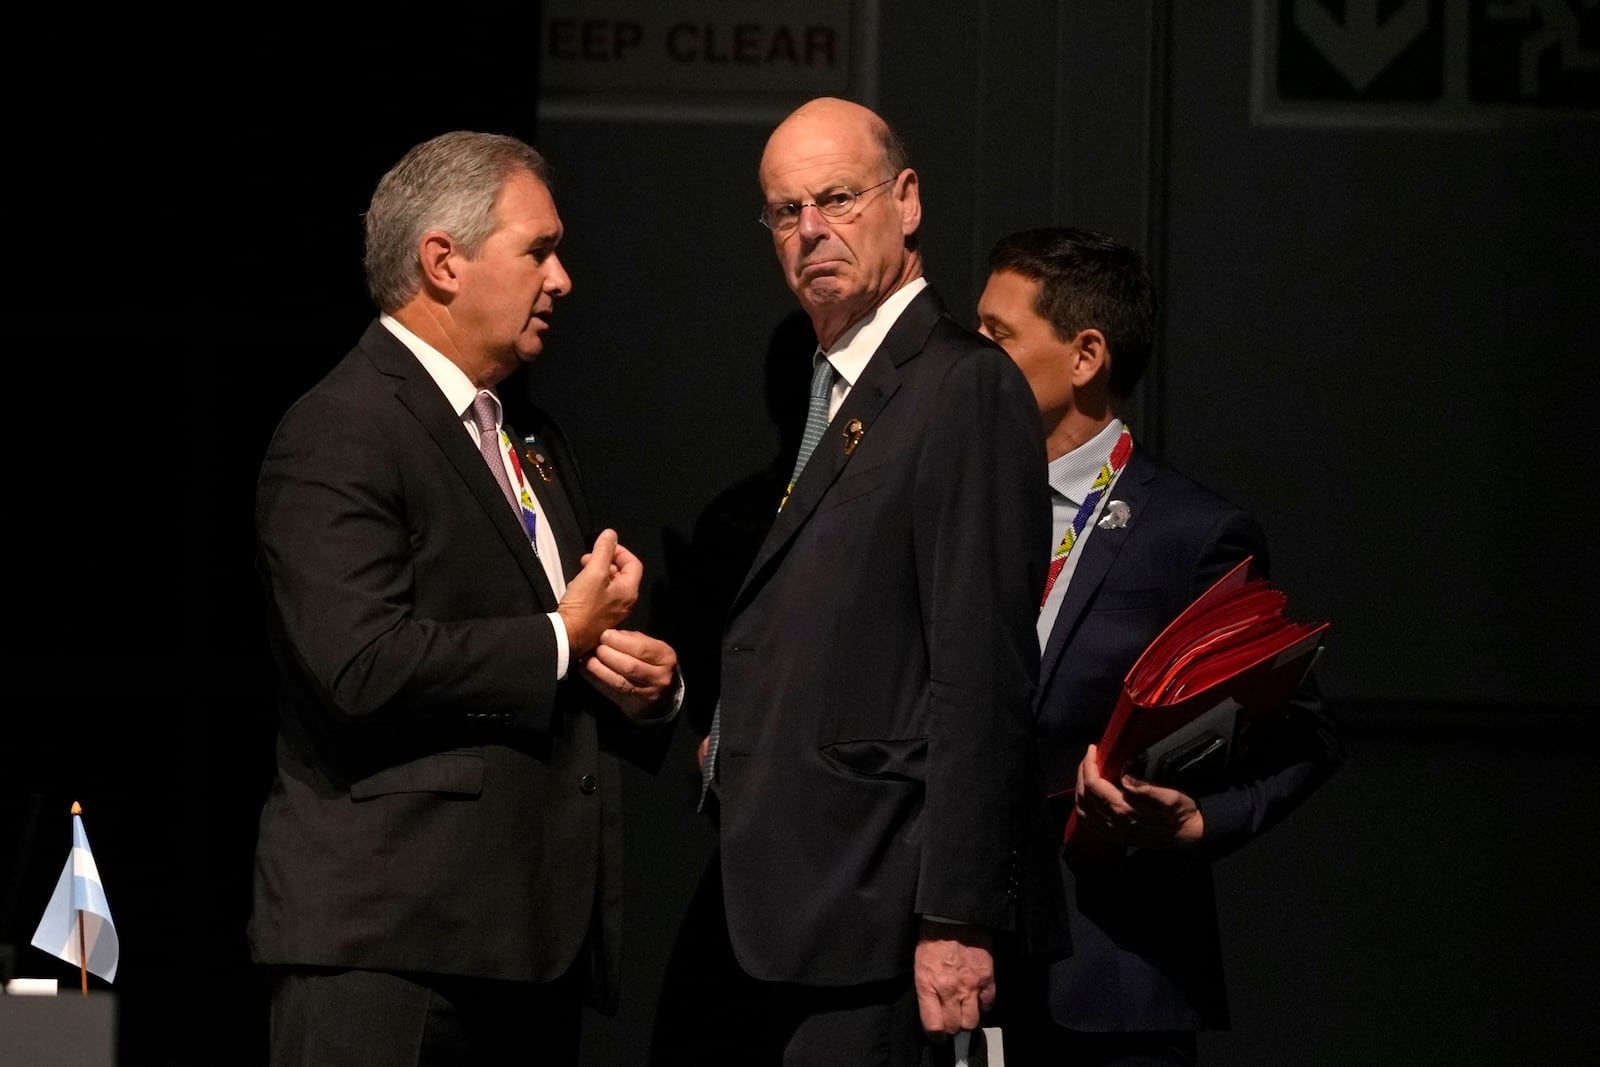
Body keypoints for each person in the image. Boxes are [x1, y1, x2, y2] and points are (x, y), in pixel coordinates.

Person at [248, 130, 681, 1067]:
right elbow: (359, 665)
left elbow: (557, 646)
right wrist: (563, 637)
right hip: (392, 948)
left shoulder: (529, 433)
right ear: (443, 261)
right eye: (538, 249)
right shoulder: (340, 430)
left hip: (526, 947)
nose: (562, 278)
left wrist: (635, 679)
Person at [669, 97, 1056, 1066]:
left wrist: (956, 915)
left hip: (885, 910)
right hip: (786, 903)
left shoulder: (961, 384)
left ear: (907, 200)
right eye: (784, 211)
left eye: (836, 198)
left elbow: (982, 669)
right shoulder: (830, 385)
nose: (810, 231)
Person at [975, 226, 1344, 1064]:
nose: (974, 354)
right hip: (967, 966)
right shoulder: (959, 506)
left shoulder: (1191, 532)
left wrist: (1196, 823)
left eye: (999, 334)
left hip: (1111, 980)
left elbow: (1309, 734)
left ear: (1085, 355)